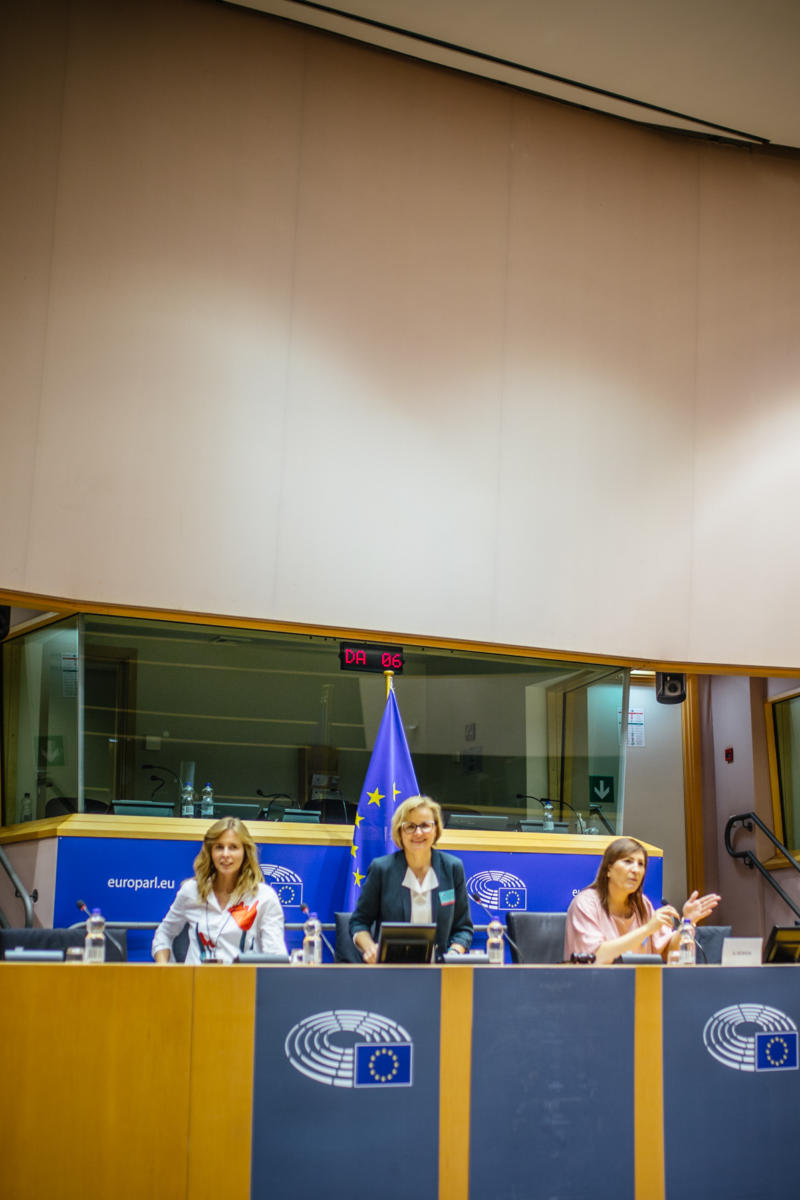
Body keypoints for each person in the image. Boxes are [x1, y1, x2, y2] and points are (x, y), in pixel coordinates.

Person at [350, 795, 473, 963]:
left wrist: (454, 953)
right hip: (391, 968)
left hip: (439, 969)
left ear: (436, 829)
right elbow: (358, 923)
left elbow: (463, 928)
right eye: (410, 826)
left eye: (425, 825)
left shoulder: (452, 868)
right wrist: (370, 948)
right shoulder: (382, 869)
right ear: (399, 832)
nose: (418, 833)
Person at [563, 836, 720, 964]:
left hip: (640, 985)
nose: (636, 870)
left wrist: (688, 922)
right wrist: (647, 929)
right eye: (628, 861)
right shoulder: (585, 903)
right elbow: (596, 956)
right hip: (594, 986)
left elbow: (668, 952)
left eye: (641, 864)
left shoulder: (642, 904)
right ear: (608, 869)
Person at [152, 816, 286, 963]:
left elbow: (275, 956)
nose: (225, 854)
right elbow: (164, 933)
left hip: (241, 977)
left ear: (245, 852)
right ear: (210, 851)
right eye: (219, 847)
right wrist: (163, 968)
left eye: (233, 847)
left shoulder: (264, 897)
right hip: (195, 977)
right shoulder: (191, 891)